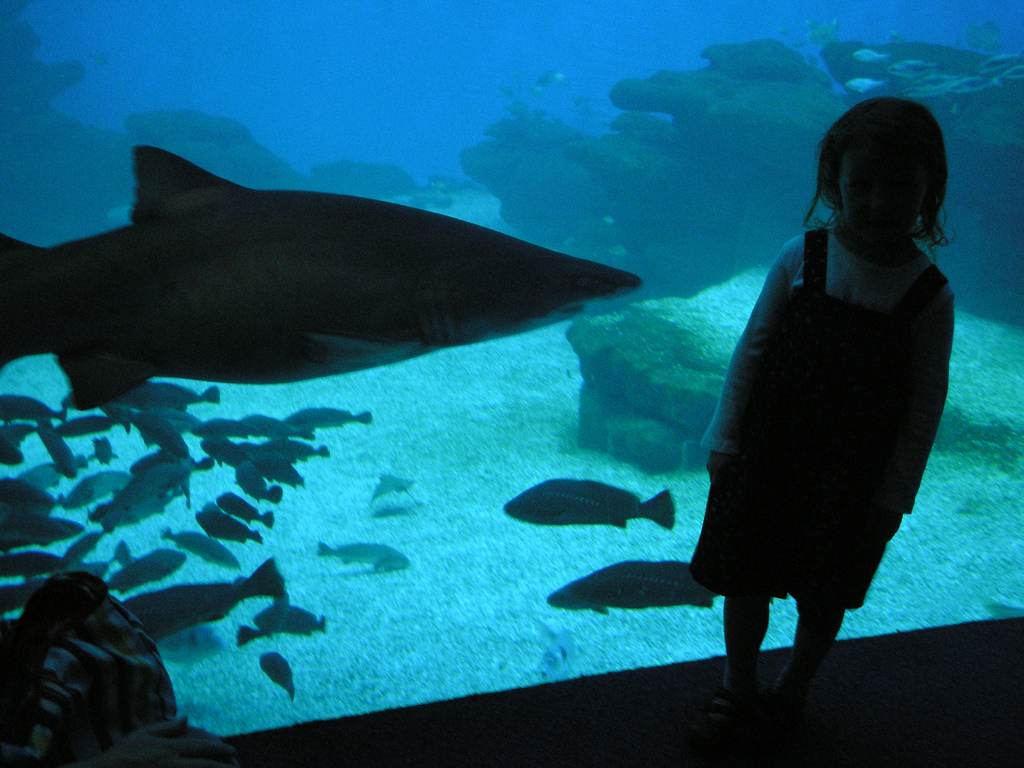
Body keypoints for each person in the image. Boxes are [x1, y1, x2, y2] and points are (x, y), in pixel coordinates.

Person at [685, 96, 955, 757]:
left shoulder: (931, 295)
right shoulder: (800, 256)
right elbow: (752, 351)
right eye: (861, 184)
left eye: (899, 187)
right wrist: (724, 437)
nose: (878, 201)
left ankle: (793, 690)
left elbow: (925, 404)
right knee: (745, 577)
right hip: (767, 455)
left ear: (928, 192)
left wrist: (896, 495)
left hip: (852, 479)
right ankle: (737, 685)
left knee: (823, 591)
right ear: (833, 184)